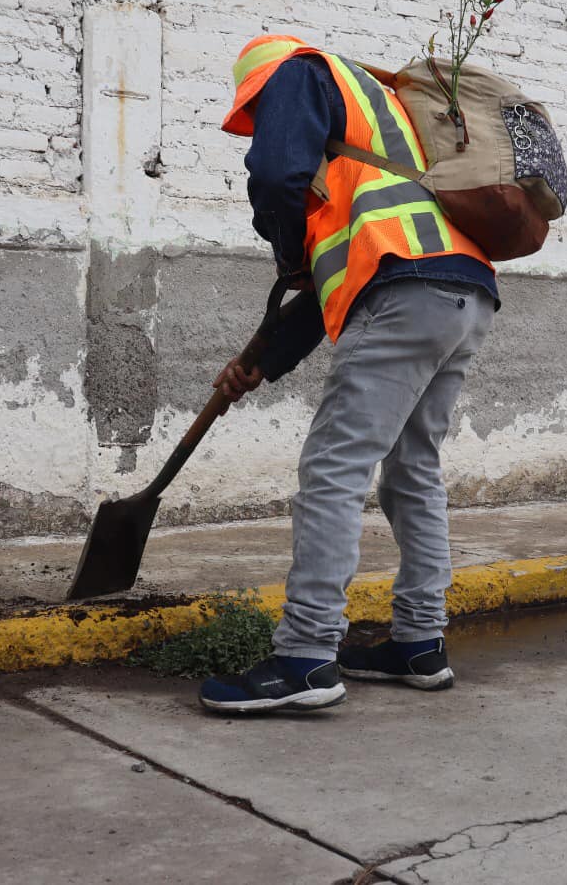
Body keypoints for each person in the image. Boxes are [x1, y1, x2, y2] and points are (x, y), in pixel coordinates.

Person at [196, 35, 500, 714]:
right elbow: (342, 277)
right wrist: (262, 363)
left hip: (407, 291)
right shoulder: (383, 113)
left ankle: (305, 657)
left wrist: (284, 247)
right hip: (464, 291)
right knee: (412, 469)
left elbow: (276, 177)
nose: (261, 121)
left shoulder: (300, 73)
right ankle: (420, 643)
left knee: (334, 468)